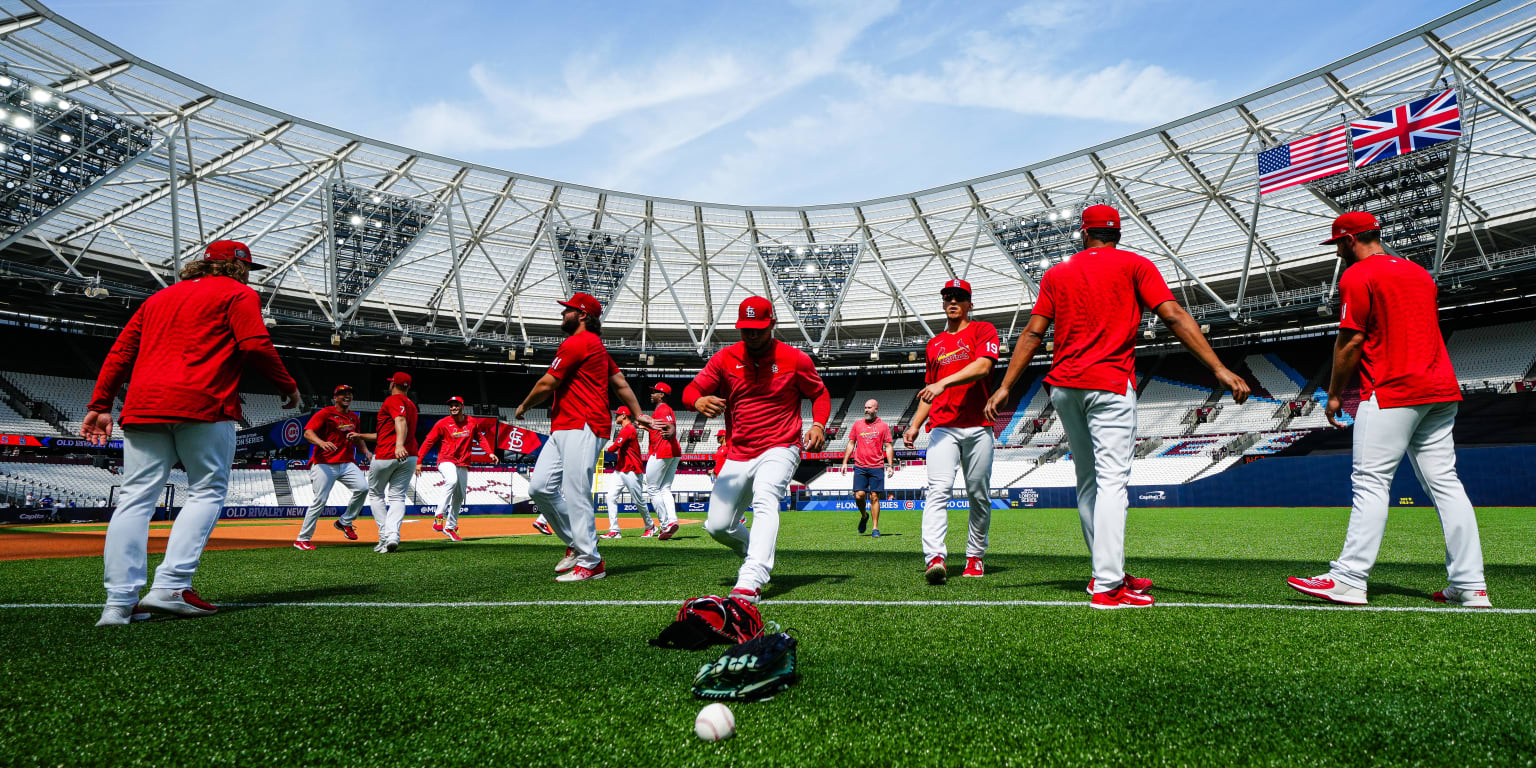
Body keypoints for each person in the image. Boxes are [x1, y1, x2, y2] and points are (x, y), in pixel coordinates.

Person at [984, 205, 1249, 609]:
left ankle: (1104, 570)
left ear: (1083, 234)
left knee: (1089, 482)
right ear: (1118, 234)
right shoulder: (1136, 265)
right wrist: (1218, 368)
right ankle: (1108, 585)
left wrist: (1005, 386)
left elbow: (1034, 333)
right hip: (1108, 384)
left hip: (1063, 387)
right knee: (1111, 483)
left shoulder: (1057, 274)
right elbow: (1174, 316)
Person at [82, 239, 299, 626]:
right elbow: (254, 344)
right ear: (238, 267)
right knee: (207, 490)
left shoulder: (159, 298)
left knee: (134, 499)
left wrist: (100, 404)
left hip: (144, 405)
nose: (249, 275)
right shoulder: (239, 293)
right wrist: (286, 384)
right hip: (204, 403)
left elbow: (120, 353)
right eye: (248, 268)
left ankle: (117, 604)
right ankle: (171, 584)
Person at [1287, 212, 1489, 607]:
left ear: (1348, 241)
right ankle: (1469, 584)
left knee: (1371, 482)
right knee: (1447, 485)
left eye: (1338, 246)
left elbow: (1350, 340)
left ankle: (1349, 577)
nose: (1338, 254)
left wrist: (1333, 394)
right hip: (1440, 387)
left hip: (1393, 389)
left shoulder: (1358, 275)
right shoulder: (1418, 273)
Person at [684, 296, 830, 604]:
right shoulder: (724, 358)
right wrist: (696, 401)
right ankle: (754, 551)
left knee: (766, 498)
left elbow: (819, 393)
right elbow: (691, 390)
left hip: (781, 445)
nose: (751, 335)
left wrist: (817, 425)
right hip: (738, 452)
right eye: (745, 329)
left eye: (758, 329)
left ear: (772, 325)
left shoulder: (795, 359)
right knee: (718, 526)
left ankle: (752, 577)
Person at [515, 293, 650, 582]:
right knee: (539, 488)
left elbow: (548, 382)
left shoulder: (578, 342)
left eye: (568, 311)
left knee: (576, 492)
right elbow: (620, 383)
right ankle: (578, 544)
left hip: (584, 424)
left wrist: (525, 405)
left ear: (583, 315)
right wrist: (638, 414)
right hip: (565, 425)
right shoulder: (596, 347)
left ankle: (591, 562)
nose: (563, 315)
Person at [904, 279, 999, 585]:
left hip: (979, 425)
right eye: (948, 297)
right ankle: (935, 558)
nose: (953, 302)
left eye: (959, 297)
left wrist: (943, 383)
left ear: (970, 303)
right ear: (943, 303)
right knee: (937, 491)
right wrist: (916, 424)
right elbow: (929, 393)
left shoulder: (983, 330)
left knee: (978, 495)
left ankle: (975, 556)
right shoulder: (934, 345)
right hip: (943, 427)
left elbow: (984, 367)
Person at [294, 384, 369, 550]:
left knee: (363, 488)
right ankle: (302, 539)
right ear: (335, 398)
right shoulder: (325, 413)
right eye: (343, 394)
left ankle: (345, 522)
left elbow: (357, 438)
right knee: (320, 501)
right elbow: (307, 433)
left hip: (347, 462)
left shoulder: (353, 417)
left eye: (349, 394)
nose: (347, 396)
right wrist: (321, 442)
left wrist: (366, 452)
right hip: (324, 463)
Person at [353, 372, 418, 553]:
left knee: (376, 494)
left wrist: (398, 445)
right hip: (410, 455)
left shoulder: (392, 400)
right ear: (408, 387)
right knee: (397, 496)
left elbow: (400, 420)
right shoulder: (411, 404)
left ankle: (384, 536)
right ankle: (393, 536)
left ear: (392, 385)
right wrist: (360, 436)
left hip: (388, 453)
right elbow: (385, 433)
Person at [416, 396, 496, 542]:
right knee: (451, 481)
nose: (453, 408)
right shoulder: (442, 423)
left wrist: (489, 452)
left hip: (463, 462)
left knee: (460, 496)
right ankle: (438, 516)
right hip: (446, 460)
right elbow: (428, 442)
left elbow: (480, 438)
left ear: (462, 406)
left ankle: (450, 526)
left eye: (456, 405)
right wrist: (419, 461)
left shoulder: (471, 422)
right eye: (451, 406)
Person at [841, 399, 895, 537]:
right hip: (860, 466)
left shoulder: (883, 427)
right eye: (865, 407)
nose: (866, 410)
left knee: (874, 497)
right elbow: (851, 443)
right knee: (859, 495)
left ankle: (875, 528)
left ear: (876, 409)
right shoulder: (857, 425)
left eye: (869, 408)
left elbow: (888, 446)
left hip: (877, 466)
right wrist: (845, 462)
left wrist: (890, 465)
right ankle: (864, 516)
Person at [602, 406, 652, 539]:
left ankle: (650, 526)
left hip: (632, 469)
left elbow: (613, 449)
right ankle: (614, 530)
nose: (615, 416)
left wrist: (601, 450)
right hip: (621, 469)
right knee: (610, 497)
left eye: (617, 414)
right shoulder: (625, 429)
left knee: (638, 500)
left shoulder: (628, 429)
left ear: (624, 416)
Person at [645, 382, 683, 539]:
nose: (652, 394)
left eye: (655, 392)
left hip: (662, 451)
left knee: (652, 488)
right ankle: (672, 520)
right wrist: (646, 427)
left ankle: (665, 523)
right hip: (673, 451)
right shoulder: (664, 409)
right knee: (665, 488)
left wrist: (672, 431)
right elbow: (664, 426)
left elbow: (670, 425)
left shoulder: (663, 408)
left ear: (662, 395)